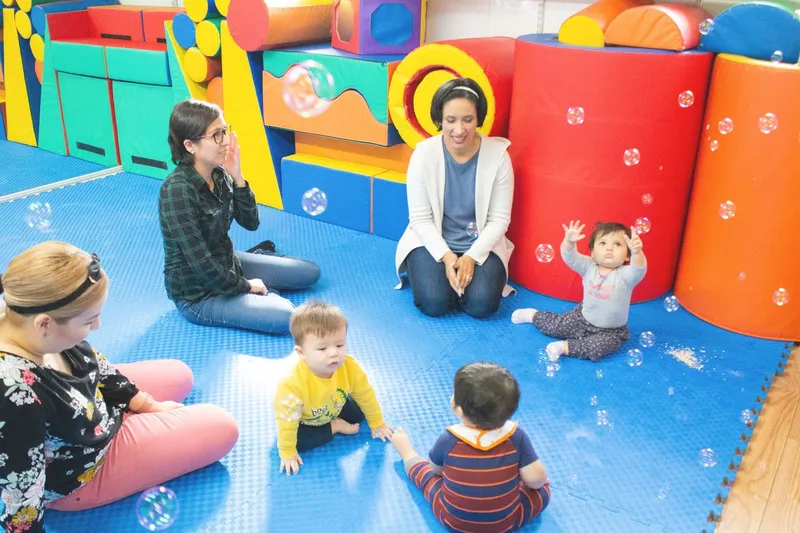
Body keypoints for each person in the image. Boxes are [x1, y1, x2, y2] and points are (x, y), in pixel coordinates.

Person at [0, 242, 239, 532]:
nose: (98, 325)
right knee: (222, 425)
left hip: (83, 409)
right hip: (82, 468)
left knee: (180, 374)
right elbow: (21, 487)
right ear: (45, 325)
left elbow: (92, 362)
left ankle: (130, 416)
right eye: (89, 320)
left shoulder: (22, 316)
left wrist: (145, 404)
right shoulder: (15, 396)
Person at [159, 99, 321, 335]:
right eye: (216, 135)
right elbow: (201, 263)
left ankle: (258, 274)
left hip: (228, 264)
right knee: (286, 316)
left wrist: (238, 177)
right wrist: (246, 286)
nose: (226, 141)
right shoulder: (176, 191)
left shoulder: (219, 174)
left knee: (309, 272)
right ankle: (259, 292)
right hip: (199, 294)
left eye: (224, 131)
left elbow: (251, 223)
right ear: (190, 145)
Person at [394, 78, 516, 319]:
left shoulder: (499, 156)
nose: (459, 130)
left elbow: (499, 220)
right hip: (432, 241)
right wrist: (447, 256)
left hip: (481, 242)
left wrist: (471, 257)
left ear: (478, 119)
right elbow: (420, 219)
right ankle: (437, 278)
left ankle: (457, 282)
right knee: (434, 304)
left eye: (467, 120)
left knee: (481, 306)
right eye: (451, 120)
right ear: (440, 119)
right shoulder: (423, 154)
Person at [389, 362, 550, 532]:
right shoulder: (516, 437)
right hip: (505, 525)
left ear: (458, 410)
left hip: (452, 521)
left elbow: (436, 470)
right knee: (543, 491)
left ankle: (407, 452)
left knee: (427, 477)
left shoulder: (448, 439)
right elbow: (536, 478)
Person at [274, 302, 393, 476]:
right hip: (306, 421)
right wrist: (288, 453)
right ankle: (334, 426)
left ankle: (336, 420)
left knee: (361, 411)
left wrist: (377, 423)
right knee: (295, 441)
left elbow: (365, 395)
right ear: (301, 353)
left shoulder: (349, 366)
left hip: (334, 404)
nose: (333, 353)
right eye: (322, 348)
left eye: (339, 345)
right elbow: (287, 422)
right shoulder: (291, 385)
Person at [512, 220, 647, 362]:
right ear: (592, 253)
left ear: (627, 256)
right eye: (603, 243)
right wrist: (569, 242)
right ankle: (534, 316)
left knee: (597, 347)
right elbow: (570, 257)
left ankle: (564, 347)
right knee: (557, 326)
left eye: (617, 244)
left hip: (611, 331)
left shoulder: (626, 275)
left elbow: (638, 269)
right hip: (582, 318)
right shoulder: (589, 266)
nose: (609, 248)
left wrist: (637, 253)